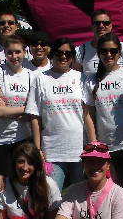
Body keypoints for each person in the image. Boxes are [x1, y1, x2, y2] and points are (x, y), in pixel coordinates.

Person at [83, 32, 123, 210]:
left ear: (120, 53)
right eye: (104, 51)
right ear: (98, 53)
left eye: (113, 51)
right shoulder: (91, 80)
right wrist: (93, 141)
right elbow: (89, 113)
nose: (108, 55)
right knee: (107, 192)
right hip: (105, 146)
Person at [25, 38, 88, 190]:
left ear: (73, 56)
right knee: (52, 197)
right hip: (51, 152)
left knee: (78, 199)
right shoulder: (40, 79)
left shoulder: (80, 77)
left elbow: (87, 114)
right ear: (52, 54)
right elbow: (35, 116)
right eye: (59, 53)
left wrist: (92, 145)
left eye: (68, 53)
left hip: (78, 150)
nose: (63, 56)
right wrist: (37, 149)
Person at [0, 35, 34, 177]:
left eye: (18, 52)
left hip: (23, 138)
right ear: (5, 54)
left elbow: (36, 110)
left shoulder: (31, 75)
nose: (14, 56)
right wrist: (25, 109)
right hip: (0, 140)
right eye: (10, 52)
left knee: (23, 181)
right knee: (2, 184)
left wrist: (8, 110)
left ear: (24, 52)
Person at [75, 9, 123, 75]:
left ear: (111, 26)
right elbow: (76, 79)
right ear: (92, 26)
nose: (101, 26)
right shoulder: (81, 51)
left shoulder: (121, 47)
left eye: (106, 23)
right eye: (97, 23)